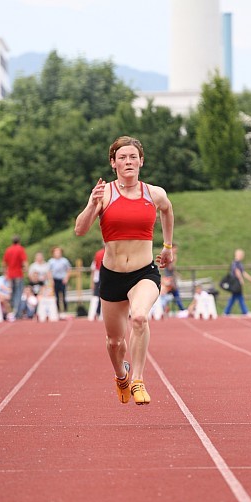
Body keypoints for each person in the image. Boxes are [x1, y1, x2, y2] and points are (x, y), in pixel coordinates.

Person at [75, 135, 174, 405]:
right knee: (115, 342)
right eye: (122, 157)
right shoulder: (104, 194)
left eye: (133, 157)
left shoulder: (154, 193)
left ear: (141, 161)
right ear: (113, 163)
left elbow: (167, 210)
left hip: (144, 272)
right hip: (112, 276)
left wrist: (167, 246)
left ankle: (138, 381)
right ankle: (122, 376)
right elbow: (80, 230)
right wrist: (91, 205)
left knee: (140, 318)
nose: (128, 161)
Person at [223, 248, 251, 316]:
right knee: (238, 297)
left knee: (235, 297)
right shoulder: (235, 263)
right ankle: (244, 311)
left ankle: (227, 311)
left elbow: (243, 272)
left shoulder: (239, 263)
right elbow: (237, 271)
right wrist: (241, 279)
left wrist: (250, 278)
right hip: (235, 282)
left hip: (237, 283)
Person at [2, 236, 28, 319]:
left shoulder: (8, 250)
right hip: (18, 274)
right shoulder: (20, 249)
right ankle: (17, 312)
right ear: (19, 241)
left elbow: (4, 263)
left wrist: (6, 272)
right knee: (18, 293)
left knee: (13, 293)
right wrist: (26, 270)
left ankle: (12, 309)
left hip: (10, 274)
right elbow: (24, 261)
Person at [163, 243, 186, 314]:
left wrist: (176, 274)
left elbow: (171, 269)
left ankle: (181, 309)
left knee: (174, 294)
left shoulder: (172, 256)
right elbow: (170, 268)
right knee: (174, 294)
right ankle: (182, 309)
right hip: (169, 279)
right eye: (175, 248)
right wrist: (173, 261)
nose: (176, 250)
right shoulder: (170, 256)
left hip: (170, 278)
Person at [47, 246, 72, 313]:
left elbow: (69, 269)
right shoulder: (51, 261)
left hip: (62, 279)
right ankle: (57, 310)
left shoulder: (64, 261)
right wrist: (51, 280)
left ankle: (65, 310)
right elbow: (49, 271)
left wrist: (66, 278)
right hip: (55, 279)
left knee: (64, 295)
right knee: (56, 296)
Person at [88, 245, 105, 320]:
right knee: (100, 297)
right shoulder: (105, 253)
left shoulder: (98, 254)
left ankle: (94, 314)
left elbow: (93, 269)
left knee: (97, 297)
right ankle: (98, 314)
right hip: (101, 277)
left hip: (98, 277)